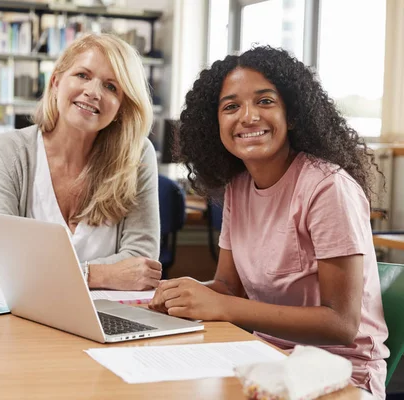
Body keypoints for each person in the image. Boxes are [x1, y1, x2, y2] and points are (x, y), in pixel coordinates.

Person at [149, 46, 389, 398]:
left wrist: (223, 306)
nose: (248, 117)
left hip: (339, 376)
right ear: (214, 124)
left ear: (291, 114)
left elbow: (341, 325)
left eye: (264, 101)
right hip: (262, 361)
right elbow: (228, 289)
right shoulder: (239, 187)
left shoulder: (328, 187)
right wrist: (187, 293)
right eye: (231, 106)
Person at [0, 33, 162, 291]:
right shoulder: (6, 152)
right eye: (83, 75)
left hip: (111, 320)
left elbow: (141, 266)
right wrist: (99, 275)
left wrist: (43, 271)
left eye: (111, 87)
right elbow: (3, 270)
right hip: (25, 319)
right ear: (55, 82)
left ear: (122, 106)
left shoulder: (137, 155)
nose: (92, 92)